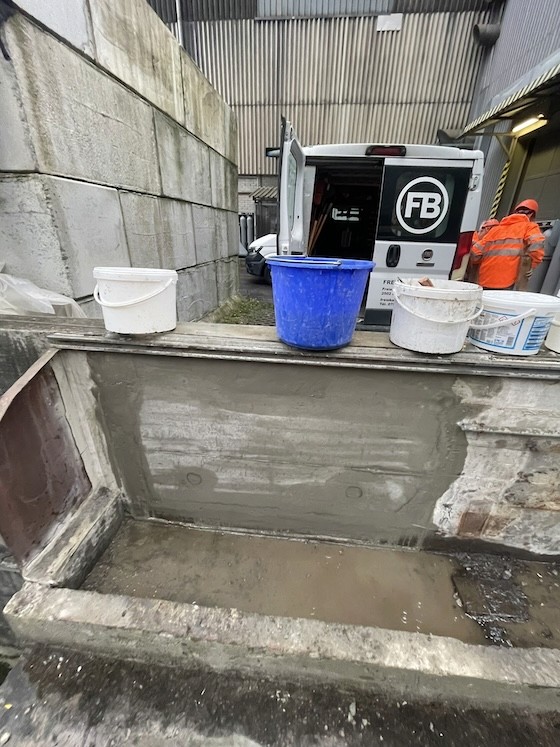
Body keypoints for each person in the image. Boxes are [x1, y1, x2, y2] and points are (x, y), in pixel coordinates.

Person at [469, 200, 545, 290]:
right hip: (507, 283)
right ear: (531, 214)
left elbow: (475, 254)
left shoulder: (495, 230)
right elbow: (537, 246)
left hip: (485, 280)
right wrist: (531, 265)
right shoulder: (529, 227)